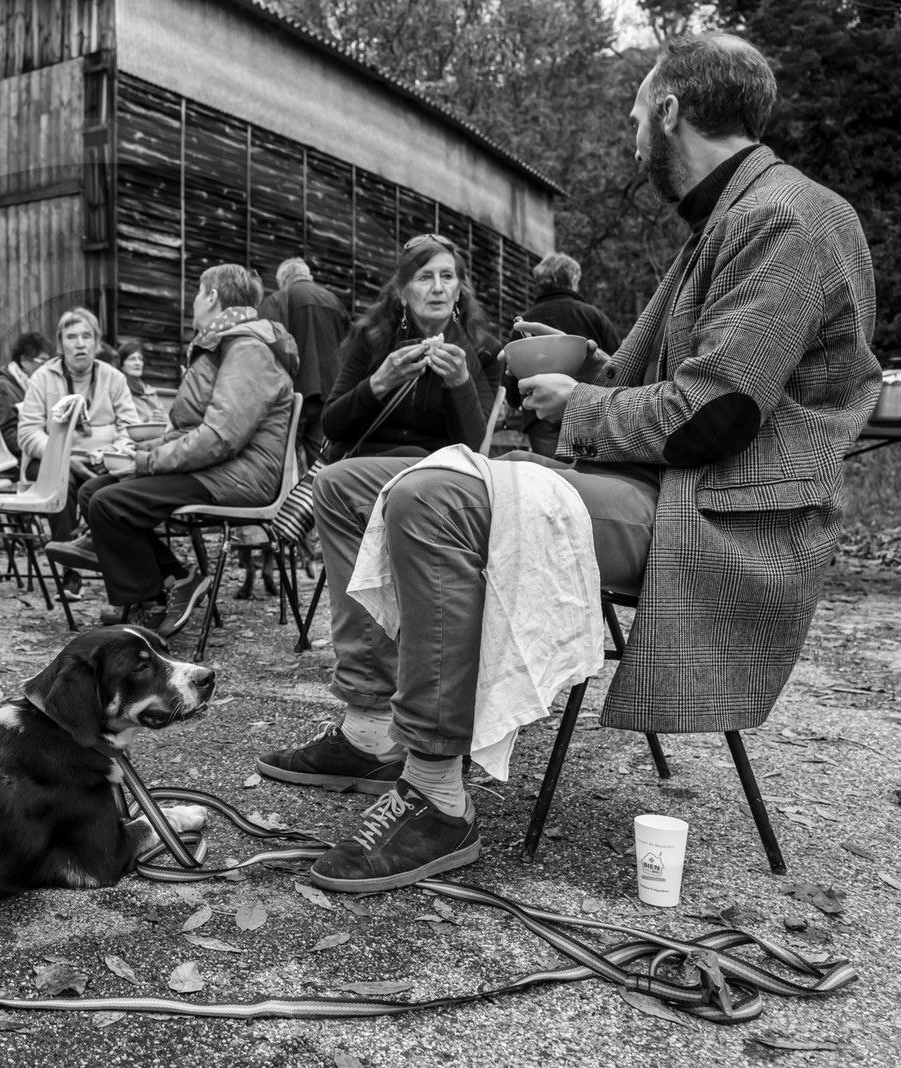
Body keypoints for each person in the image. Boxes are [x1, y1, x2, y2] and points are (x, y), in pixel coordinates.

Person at [281, 32, 878, 896]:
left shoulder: (784, 216)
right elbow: (685, 385)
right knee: (344, 487)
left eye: (636, 112)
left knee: (434, 499)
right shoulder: (731, 217)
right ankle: (373, 728)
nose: (633, 132)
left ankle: (437, 797)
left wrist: (582, 404)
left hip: (718, 510)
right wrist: (579, 371)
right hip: (658, 482)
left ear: (671, 110)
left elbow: (716, 412)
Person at [256, 234, 504, 797]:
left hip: (434, 479)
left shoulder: (480, 347)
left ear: (460, 288)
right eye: (425, 277)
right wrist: (379, 382)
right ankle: (377, 723)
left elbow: (477, 448)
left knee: (342, 485)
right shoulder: (370, 339)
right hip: (368, 474)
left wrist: (463, 381)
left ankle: (371, 727)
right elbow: (336, 424)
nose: (438, 287)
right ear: (402, 290)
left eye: (448, 276)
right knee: (344, 482)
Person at [51, 266, 297, 636]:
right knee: (92, 491)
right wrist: (141, 449)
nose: (195, 301)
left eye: (198, 292)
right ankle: (177, 578)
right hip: (218, 467)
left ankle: (151, 601)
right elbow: (193, 430)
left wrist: (146, 461)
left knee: (108, 504)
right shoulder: (224, 343)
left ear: (212, 297)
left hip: (240, 476)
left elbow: (219, 437)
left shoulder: (247, 350)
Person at [19, 307, 141, 601]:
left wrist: (112, 454)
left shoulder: (114, 378)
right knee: (61, 481)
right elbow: (27, 432)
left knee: (98, 490)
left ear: (97, 343)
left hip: (101, 458)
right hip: (52, 459)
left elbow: (131, 428)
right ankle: (69, 570)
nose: (80, 343)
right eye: (71, 337)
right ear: (61, 344)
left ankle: (114, 567)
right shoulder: (41, 378)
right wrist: (61, 456)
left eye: (87, 336)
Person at [515, 252, 623, 457]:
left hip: (538, 413)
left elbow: (513, 369)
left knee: (549, 479)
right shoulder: (593, 315)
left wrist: (515, 399)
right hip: (589, 409)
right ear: (573, 279)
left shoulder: (524, 321)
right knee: (584, 480)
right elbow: (620, 365)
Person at [257, 257, 348, 465]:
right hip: (330, 393)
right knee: (321, 460)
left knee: (283, 458)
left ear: (283, 280)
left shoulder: (278, 300)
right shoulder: (334, 301)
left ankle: (288, 497)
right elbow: (347, 346)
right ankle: (316, 497)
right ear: (308, 276)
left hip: (294, 393)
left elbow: (263, 349)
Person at [0, 331, 53, 457]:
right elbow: (8, 438)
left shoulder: (39, 385)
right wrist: (44, 448)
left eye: (49, 362)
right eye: (42, 361)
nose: (47, 367)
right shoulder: (2, 388)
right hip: (22, 457)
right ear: (23, 360)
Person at [117, 338, 168, 422]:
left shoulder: (149, 390)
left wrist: (163, 418)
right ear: (121, 364)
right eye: (132, 359)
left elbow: (164, 415)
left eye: (140, 359)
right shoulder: (119, 389)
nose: (137, 363)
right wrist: (145, 420)